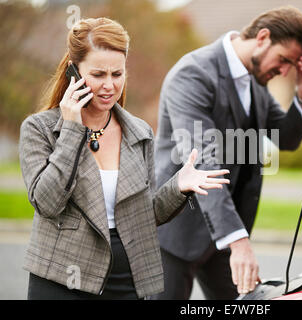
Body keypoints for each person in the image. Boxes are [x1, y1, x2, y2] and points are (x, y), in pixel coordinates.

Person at [19, 17, 230, 300]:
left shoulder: (139, 132)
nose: (109, 85)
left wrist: (179, 185)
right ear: (73, 72)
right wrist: (71, 128)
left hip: (126, 281)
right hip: (62, 281)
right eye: (98, 75)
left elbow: (146, 214)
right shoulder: (39, 129)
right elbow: (47, 202)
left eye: (117, 74)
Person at [152, 6, 302, 300]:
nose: (284, 72)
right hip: (175, 232)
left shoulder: (255, 81)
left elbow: (286, 138)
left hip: (225, 232)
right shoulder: (194, 74)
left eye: (291, 65)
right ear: (263, 37)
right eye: (283, 60)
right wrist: (239, 241)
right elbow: (203, 162)